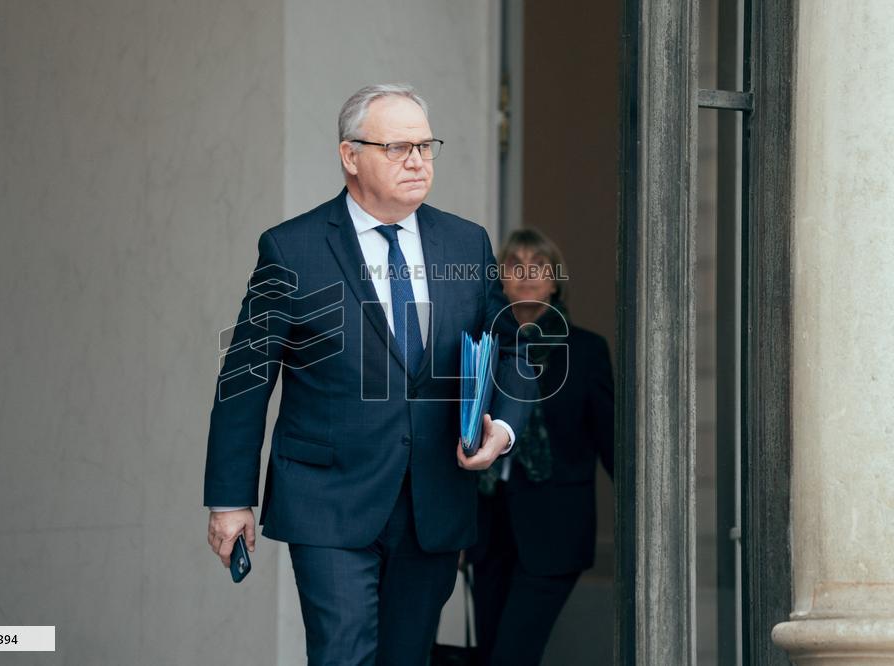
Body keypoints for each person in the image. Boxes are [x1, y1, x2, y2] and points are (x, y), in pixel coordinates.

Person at [203, 84, 538, 666]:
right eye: (398, 147)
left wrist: (502, 430)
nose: (417, 161)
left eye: (426, 146)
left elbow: (513, 350)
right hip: (327, 499)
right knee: (343, 653)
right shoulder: (292, 249)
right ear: (350, 156)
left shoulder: (466, 242)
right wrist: (231, 498)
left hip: (433, 500)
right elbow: (245, 376)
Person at [465, 228, 615, 666]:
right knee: (493, 651)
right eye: (515, 265)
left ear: (554, 282)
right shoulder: (481, 348)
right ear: (500, 280)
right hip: (487, 528)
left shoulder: (585, 351)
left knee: (512, 656)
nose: (526, 274)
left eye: (539, 266)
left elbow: (609, 439)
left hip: (555, 529)